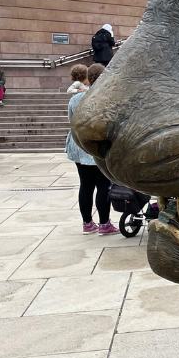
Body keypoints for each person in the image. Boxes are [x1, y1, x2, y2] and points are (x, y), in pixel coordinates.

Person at [65, 63, 117, 234]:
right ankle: (104, 224)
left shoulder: (75, 99)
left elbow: (71, 122)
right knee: (103, 185)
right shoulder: (106, 98)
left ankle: (87, 223)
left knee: (85, 185)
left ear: (89, 78)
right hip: (97, 146)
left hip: (78, 145)